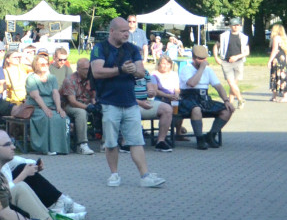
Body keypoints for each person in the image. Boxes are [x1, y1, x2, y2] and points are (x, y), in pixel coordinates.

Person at [92, 17, 166, 188]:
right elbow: (96, 71)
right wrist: (120, 70)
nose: (127, 33)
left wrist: (135, 71)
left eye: (128, 31)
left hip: (131, 102)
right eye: (123, 31)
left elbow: (141, 72)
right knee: (111, 142)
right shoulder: (100, 48)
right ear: (112, 31)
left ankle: (145, 176)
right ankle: (114, 175)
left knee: (136, 140)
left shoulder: (132, 49)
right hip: (109, 102)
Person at [180, 45, 234, 149]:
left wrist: (226, 101)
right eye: (200, 59)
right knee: (196, 109)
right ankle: (200, 139)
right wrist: (201, 69)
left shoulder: (208, 70)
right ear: (193, 58)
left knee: (227, 110)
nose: (203, 61)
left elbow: (218, 86)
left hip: (203, 97)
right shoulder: (186, 69)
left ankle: (211, 135)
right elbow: (192, 83)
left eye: (205, 58)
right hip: (188, 97)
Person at [24, 53, 71, 156]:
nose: (45, 65)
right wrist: (45, 109)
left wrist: (59, 108)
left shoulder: (52, 78)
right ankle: (46, 148)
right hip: (36, 107)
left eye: (46, 64)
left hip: (51, 106)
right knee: (47, 117)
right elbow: (36, 96)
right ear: (36, 65)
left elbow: (55, 93)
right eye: (42, 64)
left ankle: (61, 148)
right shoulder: (31, 78)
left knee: (62, 117)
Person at [59, 58, 97, 155]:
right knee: (81, 113)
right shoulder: (70, 80)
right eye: (85, 69)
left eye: (89, 68)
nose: (88, 71)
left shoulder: (92, 79)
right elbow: (72, 102)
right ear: (78, 69)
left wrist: (95, 103)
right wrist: (87, 107)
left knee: (106, 109)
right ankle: (82, 144)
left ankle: (106, 143)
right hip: (68, 105)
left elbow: (93, 96)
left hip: (86, 103)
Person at [213, 18, 249, 108]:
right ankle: (240, 99)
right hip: (226, 61)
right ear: (230, 26)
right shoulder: (223, 36)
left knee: (234, 84)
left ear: (240, 26)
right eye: (233, 25)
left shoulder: (244, 37)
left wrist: (237, 56)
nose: (235, 27)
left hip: (239, 61)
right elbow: (216, 46)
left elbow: (246, 52)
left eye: (237, 25)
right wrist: (216, 57)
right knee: (231, 83)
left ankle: (230, 103)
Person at [269, 24, 287, 102]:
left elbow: (274, 50)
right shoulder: (285, 39)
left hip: (278, 60)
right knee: (284, 77)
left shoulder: (276, 38)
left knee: (275, 76)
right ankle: (278, 96)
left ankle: (280, 96)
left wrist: (269, 61)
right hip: (284, 60)